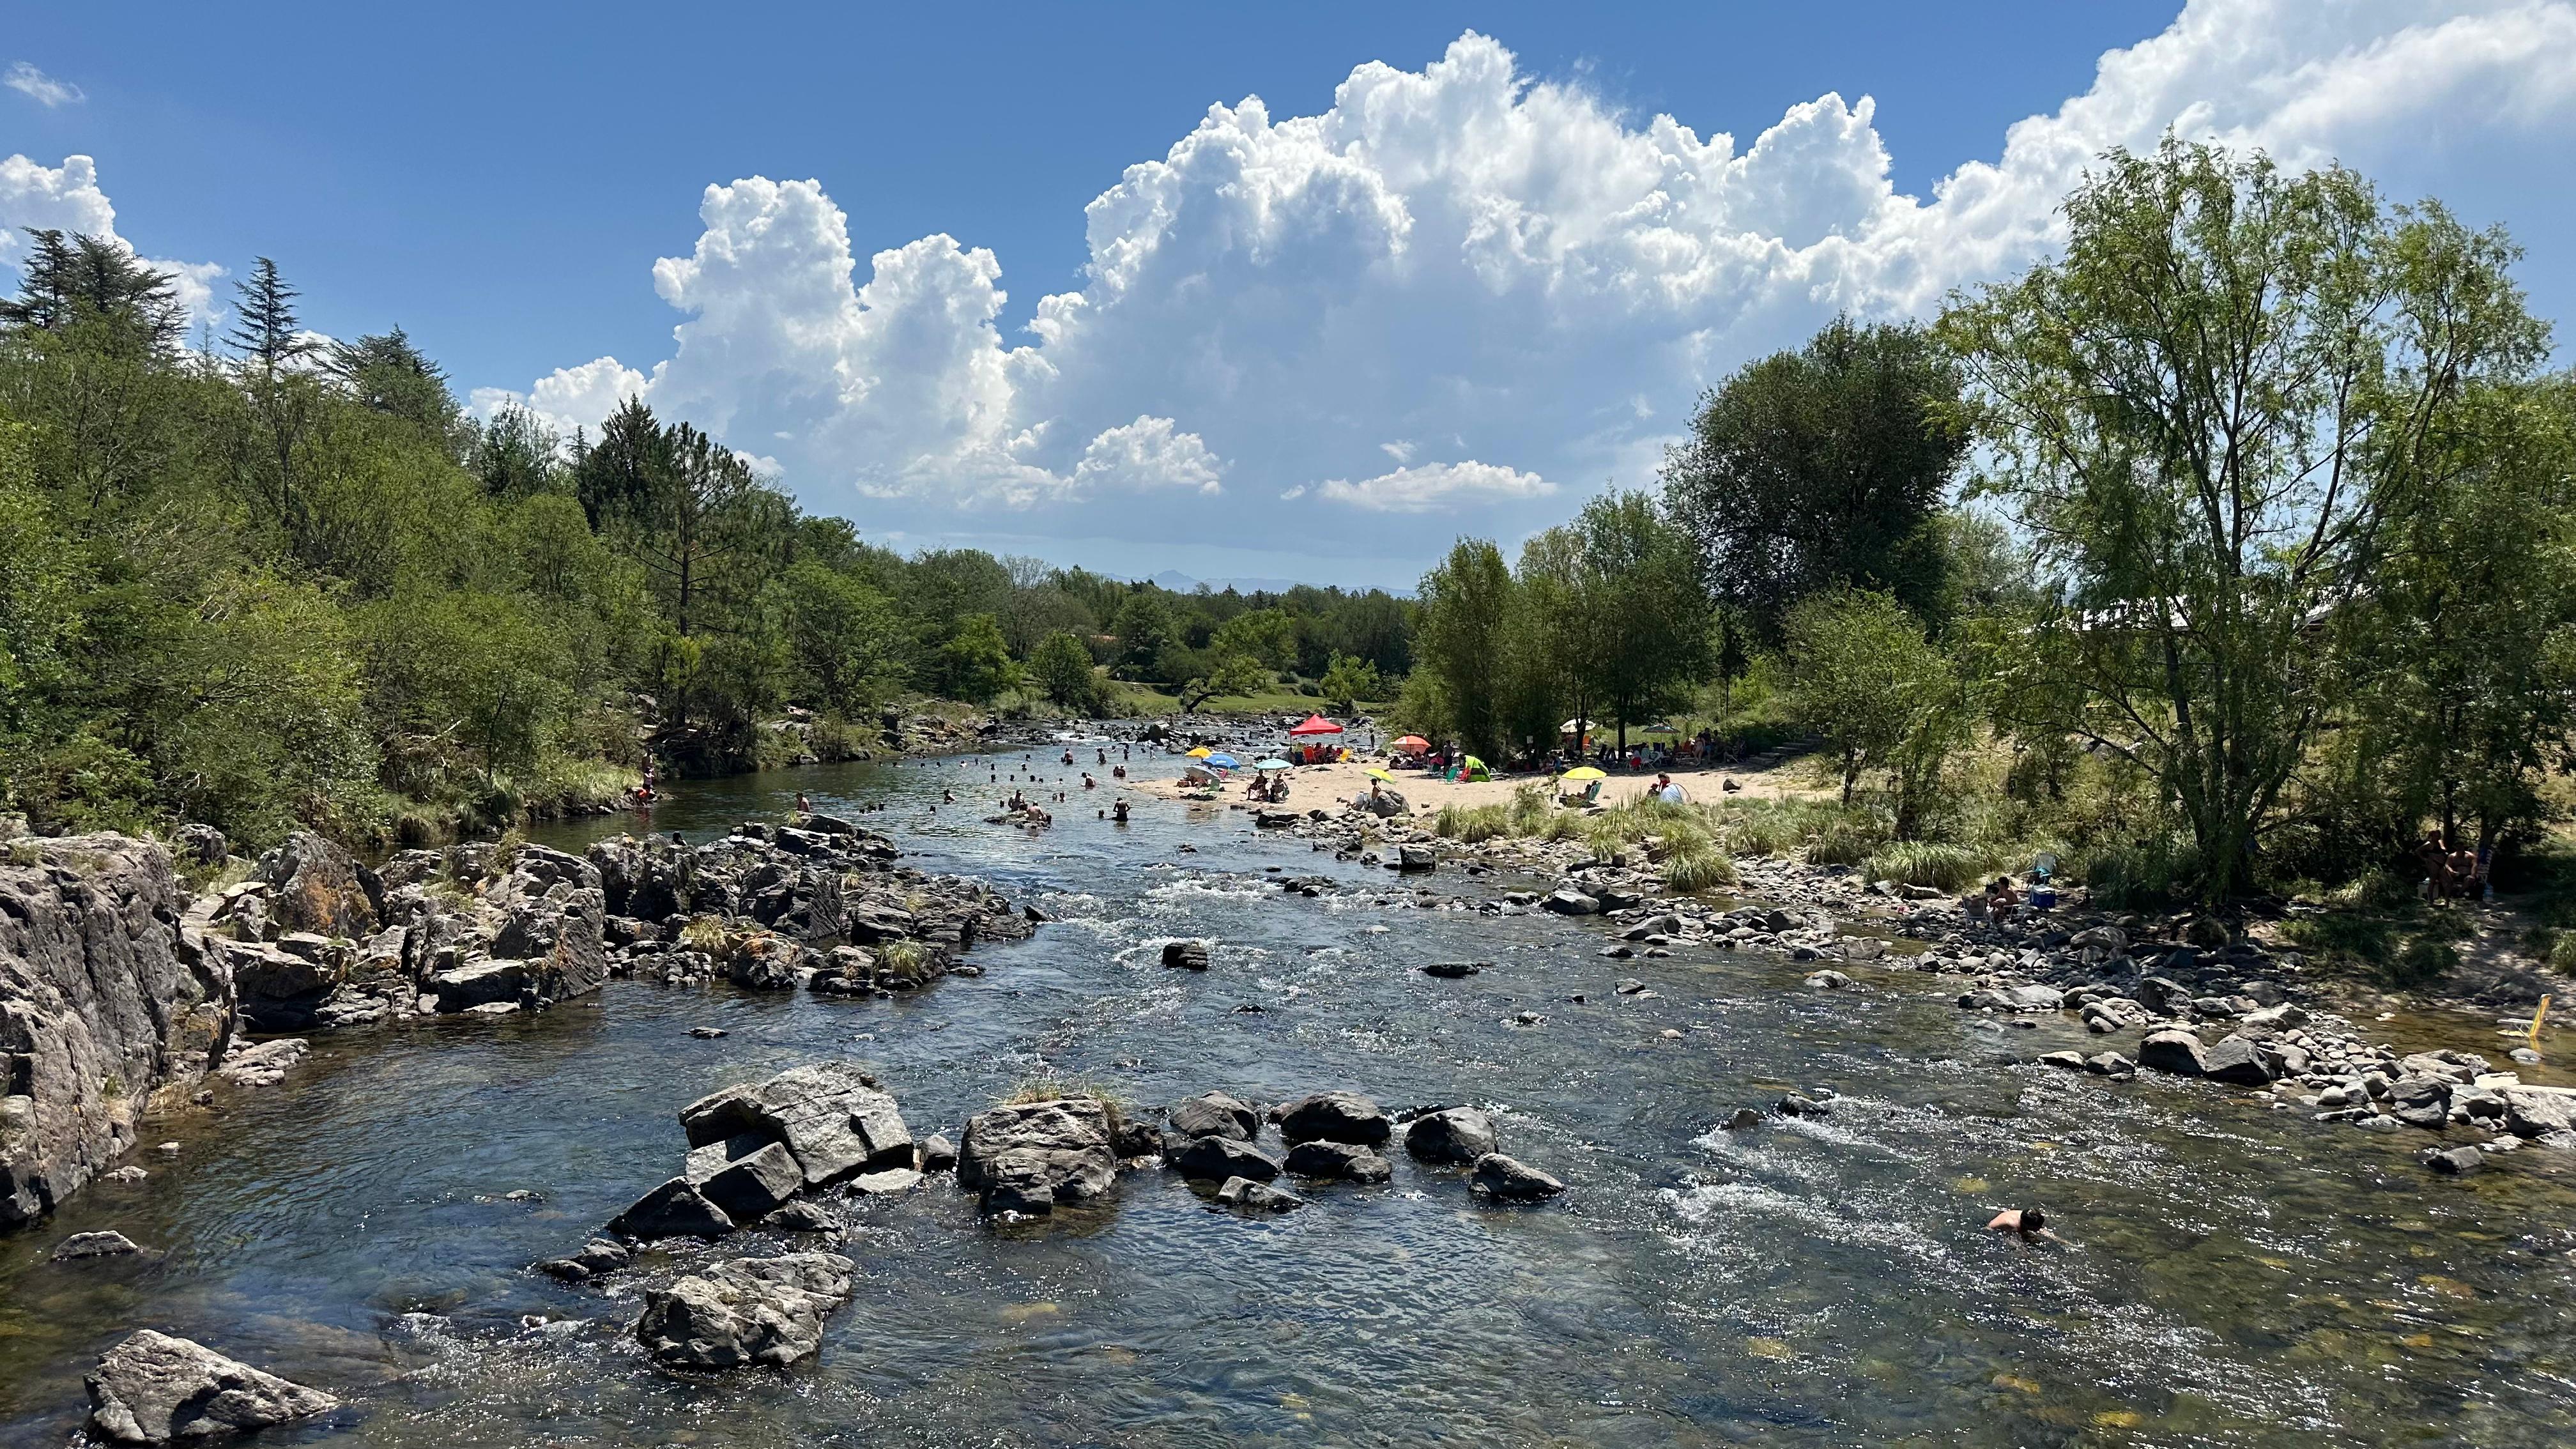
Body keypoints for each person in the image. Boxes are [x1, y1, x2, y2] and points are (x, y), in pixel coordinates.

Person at [1984, 1208, 2066, 1245]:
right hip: (1992, 1229)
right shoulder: (2011, 1225)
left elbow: (2041, 1230)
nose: (2038, 1229)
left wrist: (2061, 1241)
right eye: (2035, 1228)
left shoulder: (2028, 1216)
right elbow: (2009, 1239)